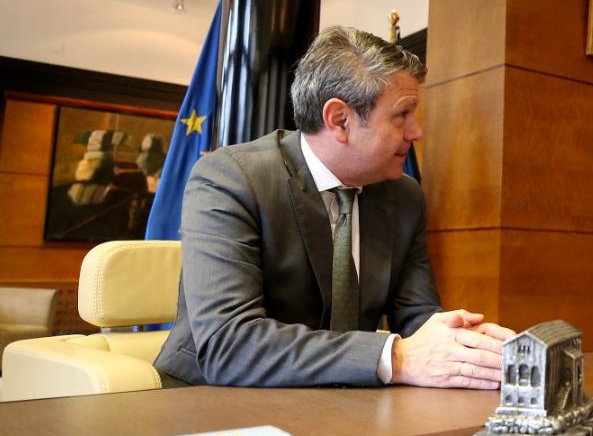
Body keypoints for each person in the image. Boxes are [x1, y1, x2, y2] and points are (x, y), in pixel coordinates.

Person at [155, 27, 514, 388]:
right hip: (211, 398)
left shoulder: (404, 197)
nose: (417, 132)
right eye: (402, 115)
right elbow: (228, 345)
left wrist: (469, 347)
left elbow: (418, 318)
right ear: (340, 120)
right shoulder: (231, 179)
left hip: (343, 402)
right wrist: (395, 357)